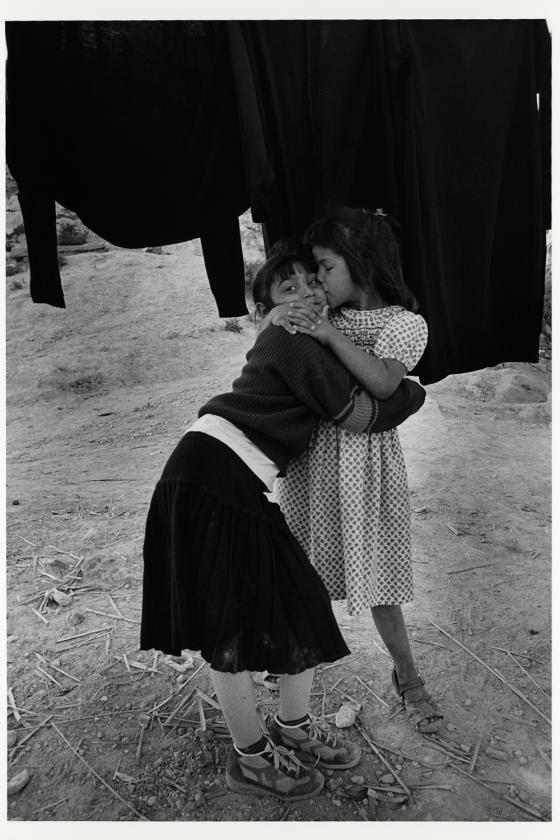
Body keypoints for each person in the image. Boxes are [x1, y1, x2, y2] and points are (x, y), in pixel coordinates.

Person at [141, 250, 426, 801]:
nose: (304, 293)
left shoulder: (305, 337)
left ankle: (291, 729)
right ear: (269, 308)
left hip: (227, 472)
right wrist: (412, 391)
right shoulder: (293, 339)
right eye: (285, 289)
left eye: (309, 281)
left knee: (302, 604)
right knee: (233, 625)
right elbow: (359, 412)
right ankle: (249, 759)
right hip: (216, 472)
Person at [271, 208, 443, 733]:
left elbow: (386, 384)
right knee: (302, 567)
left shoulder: (403, 324)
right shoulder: (326, 316)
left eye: (324, 267)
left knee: (382, 578)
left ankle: (408, 677)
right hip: (314, 460)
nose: (316, 280)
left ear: (361, 264)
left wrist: (327, 336)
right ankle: (285, 668)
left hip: (368, 469)